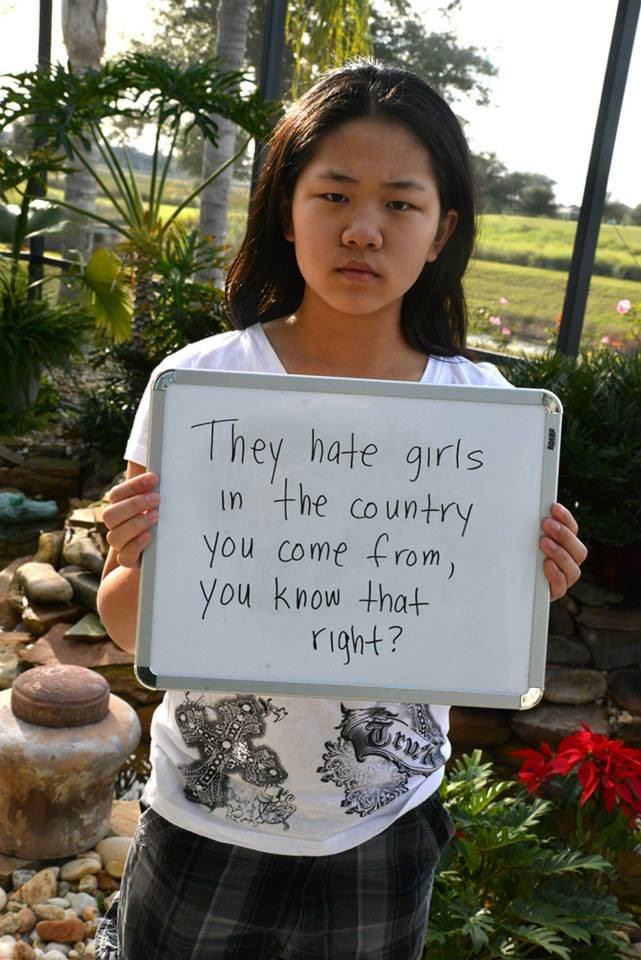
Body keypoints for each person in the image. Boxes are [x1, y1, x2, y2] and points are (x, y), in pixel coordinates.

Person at [95, 60, 587, 960]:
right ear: (285, 211)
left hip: (383, 827)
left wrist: (530, 590)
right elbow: (130, 629)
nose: (363, 229)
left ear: (442, 231)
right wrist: (136, 560)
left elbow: (476, 628)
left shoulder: (484, 412)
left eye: (400, 203)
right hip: (204, 819)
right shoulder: (200, 387)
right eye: (333, 195)